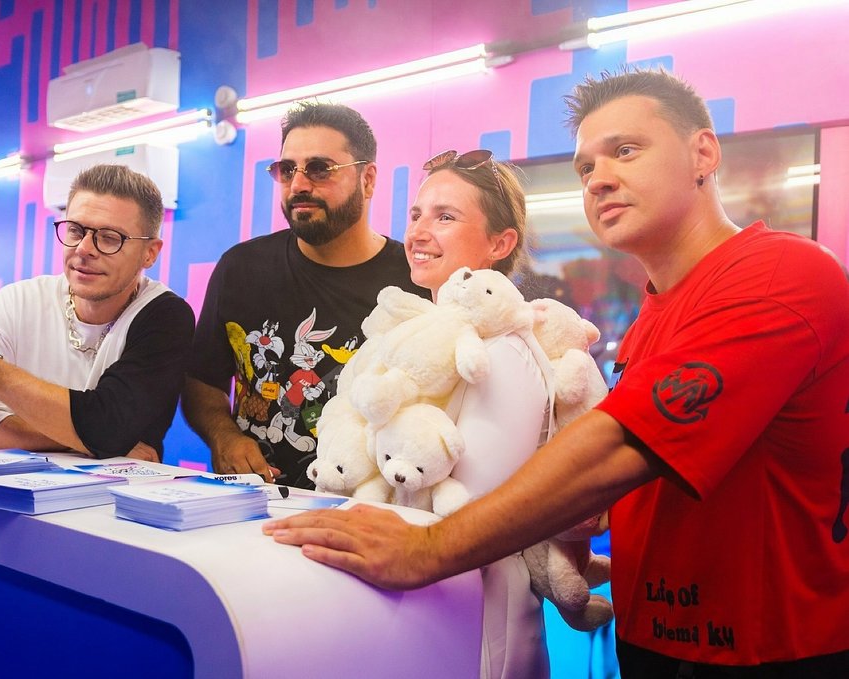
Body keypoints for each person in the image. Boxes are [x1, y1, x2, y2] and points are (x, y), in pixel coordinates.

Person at [265, 69, 849, 676]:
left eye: (626, 150)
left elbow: (624, 445)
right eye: (585, 167)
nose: (599, 178)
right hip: (656, 638)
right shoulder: (652, 316)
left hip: (770, 650)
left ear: (702, 153)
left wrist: (427, 546)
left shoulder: (782, 273)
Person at [183, 101, 426, 489]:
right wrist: (223, 437)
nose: (298, 185)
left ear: (367, 180)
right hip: (251, 503)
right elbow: (203, 381)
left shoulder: (414, 284)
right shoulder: (240, 268)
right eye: (286, 170)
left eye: (319, 169)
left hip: (366, 509)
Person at [0, 164, 195, 462]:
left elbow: (109, 428)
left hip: (121, 492)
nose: (84, 248)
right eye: (75, 230)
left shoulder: (165, 316)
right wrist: (87, 443)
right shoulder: (16, 303)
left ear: (150, 253)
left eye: (109, 237)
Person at [406, 148, 554, 678]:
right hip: (424, 597)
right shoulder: (427, 338)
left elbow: (468, 511)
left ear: (500, 243)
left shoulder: (500, 353)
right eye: (416, 214)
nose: (419, 232)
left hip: (478, 618)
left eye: (444, 216)